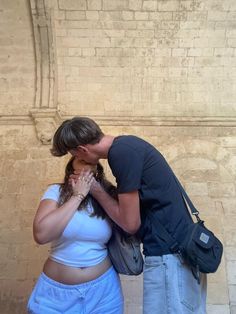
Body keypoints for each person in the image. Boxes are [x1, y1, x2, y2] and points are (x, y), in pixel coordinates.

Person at [50, 116, 207, 314]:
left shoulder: (121, 153)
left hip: (170, 256)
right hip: (176, 254)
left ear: (82, 150)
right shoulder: (128, 146)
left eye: (74, 154)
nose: (77, 160)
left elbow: (130, 223)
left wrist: (95, 189)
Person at [27, 156, 124, 314]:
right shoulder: (56, 192)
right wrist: (77, 196)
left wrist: (97, 191)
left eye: (90, 161)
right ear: (71, 170)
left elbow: (130, 225)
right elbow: (41, 235)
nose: (86, 160)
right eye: (81, 160)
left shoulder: (108, 195)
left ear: (97, 170)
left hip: (103, 293)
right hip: (55, 296)